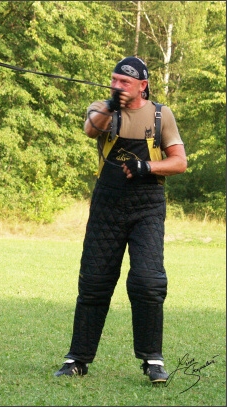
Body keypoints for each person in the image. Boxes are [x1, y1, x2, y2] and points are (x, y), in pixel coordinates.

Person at [54, 56, 187, 383]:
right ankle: (78, 359)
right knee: (95, 281)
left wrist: (147, 167)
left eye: (124, 82)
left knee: (148, 280)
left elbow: (179, 162)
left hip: (148, 205)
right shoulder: (101, 107)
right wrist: (113, 104)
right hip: (107, 205)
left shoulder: (160, 114)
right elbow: (90, 130)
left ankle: (153, 360)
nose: (117, 86)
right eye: (114, 80)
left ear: (143, 85)